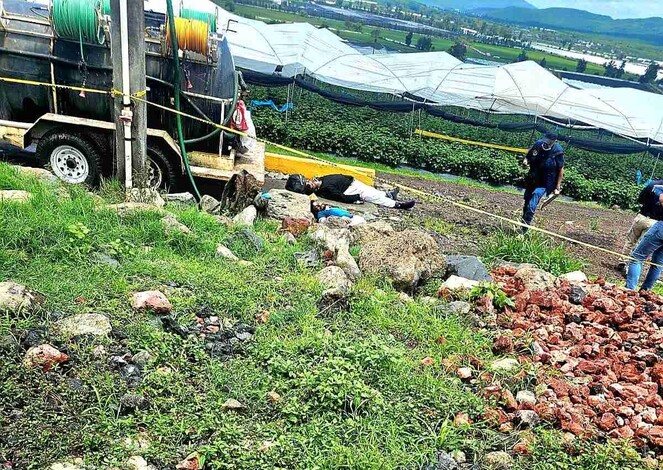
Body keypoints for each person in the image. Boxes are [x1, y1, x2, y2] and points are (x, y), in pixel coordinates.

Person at [521, 133, 565, 233]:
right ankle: (523, 224)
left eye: (549, 143)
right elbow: (528, 156)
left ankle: (523, 231)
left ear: (554, 141)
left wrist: (557, 186)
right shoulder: (538, 144)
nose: (546, 144)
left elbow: (560, 169)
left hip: (545, 182)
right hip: (532, 179)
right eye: (546, 141)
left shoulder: (557, 151)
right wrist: (525, 161)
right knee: (526, 204)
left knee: (532, 203)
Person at [295, 173, 415, 210]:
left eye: (310, 181)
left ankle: (389, 195)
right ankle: (398, 205)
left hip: (352, 182)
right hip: (351, 189)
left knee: (372, 191)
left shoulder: (321, 179)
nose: (312, 181)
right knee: (373, 197)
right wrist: (356, 197)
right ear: (314, 188)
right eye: (311, 184)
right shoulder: (326, 189)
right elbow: (340, 197)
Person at [626, 181, 663, 291]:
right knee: (658, 262)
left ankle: (629, 291)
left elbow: (660, 199)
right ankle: (645, 293)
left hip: (658, 225)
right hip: (654, 221)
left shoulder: (655, 185)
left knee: (636, 257)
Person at [617, 180, 659, 275]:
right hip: (654, 222)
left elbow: (640, 199)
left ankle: (622, 261)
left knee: (630, 240)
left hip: (641, 217)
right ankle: (629, 268)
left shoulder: (652, 184)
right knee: (640, 246)